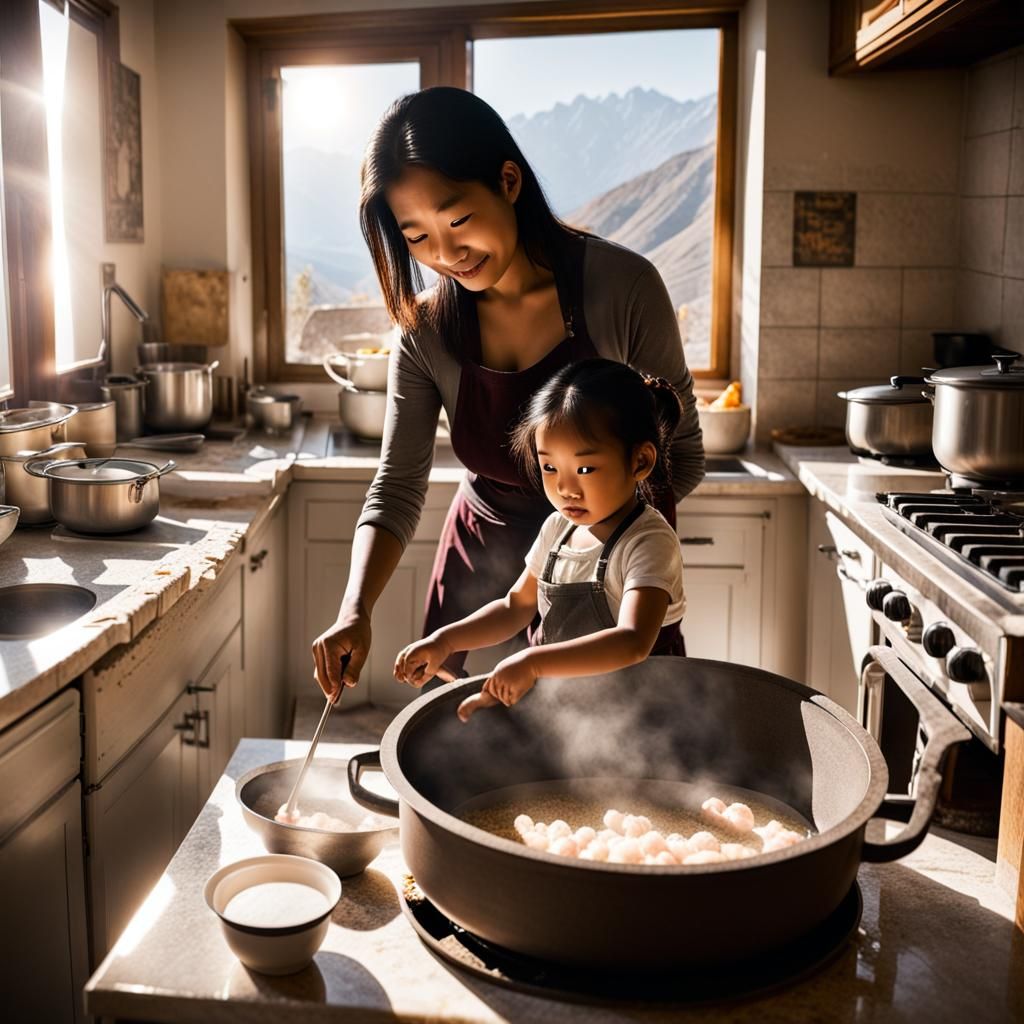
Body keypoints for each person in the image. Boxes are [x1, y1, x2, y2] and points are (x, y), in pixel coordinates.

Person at [311, 86, 704, 702]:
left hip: (611, 568)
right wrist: (354, 609)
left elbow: (684, 454)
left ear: (509, 180)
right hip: (482, 569)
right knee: (450, 757)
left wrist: (600, 549)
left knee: (617, 763)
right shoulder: (425, 331)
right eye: (416, 237)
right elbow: (397, 485)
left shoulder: (623, 287)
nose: (446, 255)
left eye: (458, 220)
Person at [393, 359, 686, 721]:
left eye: (585, 469)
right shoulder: (556, 529)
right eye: (549, 467)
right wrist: (446, 641)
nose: (565, 488)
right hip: (567, 717)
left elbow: (632, 642)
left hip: (642, 722)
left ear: (640, 461)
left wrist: (532, 662)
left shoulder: (648, 542)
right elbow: (516, 606)